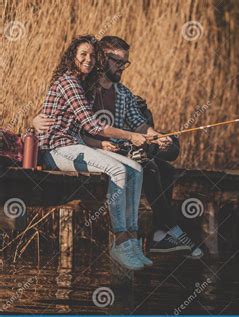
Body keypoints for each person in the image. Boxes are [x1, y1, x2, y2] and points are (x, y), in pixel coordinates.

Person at [34, 36, 203, 259]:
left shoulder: (123, 93)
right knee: (149, 168)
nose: (122, 67)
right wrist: (35, 120)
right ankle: (162, 233)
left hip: (115, 148)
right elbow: (71, 119)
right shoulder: (86, 87)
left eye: (125, 62)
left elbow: (139, 123)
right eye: (117, 61)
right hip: (88, 147)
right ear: (103, 60)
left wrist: (156, 136)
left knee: (167, 162)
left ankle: (160, 233)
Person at [36, 35, 154, 271]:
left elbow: (81, 129)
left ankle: (131, 239)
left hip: (75, 144)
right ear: (73, 57)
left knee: (136, 169)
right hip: (55, 149)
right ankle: (120, 241)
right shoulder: (69, 82)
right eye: (83, 55)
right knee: (118, 169)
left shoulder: (84, 84)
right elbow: (91, 124)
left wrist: (99, 144)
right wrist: (130, 136)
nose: (88, 60)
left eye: (92, 55)